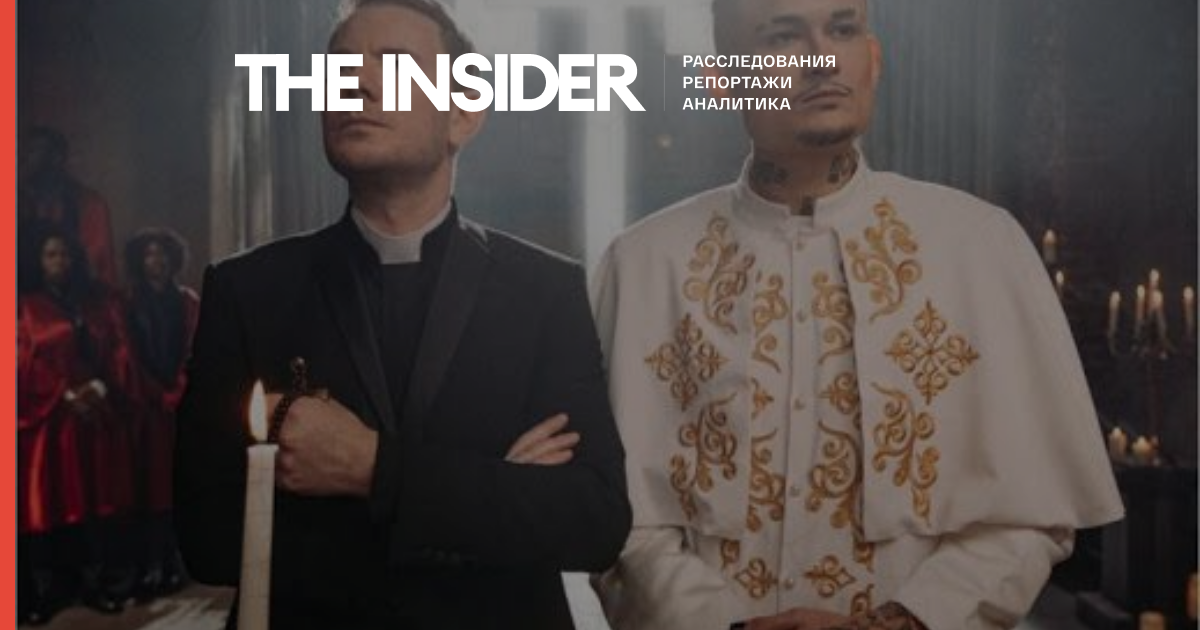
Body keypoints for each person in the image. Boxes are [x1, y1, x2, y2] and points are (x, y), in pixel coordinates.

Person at [590, 1, 1123, 628]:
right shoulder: (644, 263)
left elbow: (1029, 513)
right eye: (783, 38)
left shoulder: (980, 246)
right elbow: (613, 518)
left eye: (842, 30)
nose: (822, 60)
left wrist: (896, 623)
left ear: (873, 59)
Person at [173, 1, 631, 628]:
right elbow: (208, 538)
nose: (355, 85)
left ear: (463, 113)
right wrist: (488, 491)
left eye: (392, 66)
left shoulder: (544, 289)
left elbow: (592, 523)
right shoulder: (247, 290)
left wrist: (369, 469)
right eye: (338, 70)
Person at [18, 223, 138, 623]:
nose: (60, 261)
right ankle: (47, 593)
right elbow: (19, 364)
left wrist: (101, 387)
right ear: (38, 260)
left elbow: (114, 353)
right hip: (48, 422)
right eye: (51, 254)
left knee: (92, 503)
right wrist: (64, 394)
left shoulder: (92, 305)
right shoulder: (24, 306)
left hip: (92, 415)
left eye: (65, 254)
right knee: (49, 504)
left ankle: (95, 585)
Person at [123, 228, 200, 601]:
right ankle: (148, 567)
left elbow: (195, 350)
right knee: (145, 490)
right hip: (143, 410)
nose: (158, 260)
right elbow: (125, 354)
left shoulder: (188, 302)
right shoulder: (127, 303)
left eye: (163, 253)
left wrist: (176, 391)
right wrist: (153, 393)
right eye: (150, 254)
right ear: (140, 261)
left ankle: (174, 565)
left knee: (177, 487)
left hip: (179, 410)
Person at [18, 126, 118, 287]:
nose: (24, 159)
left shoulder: (89, 203)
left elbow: (99, 264)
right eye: (25, 152)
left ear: (56, 158)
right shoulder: (19, 200)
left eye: (33, 151)